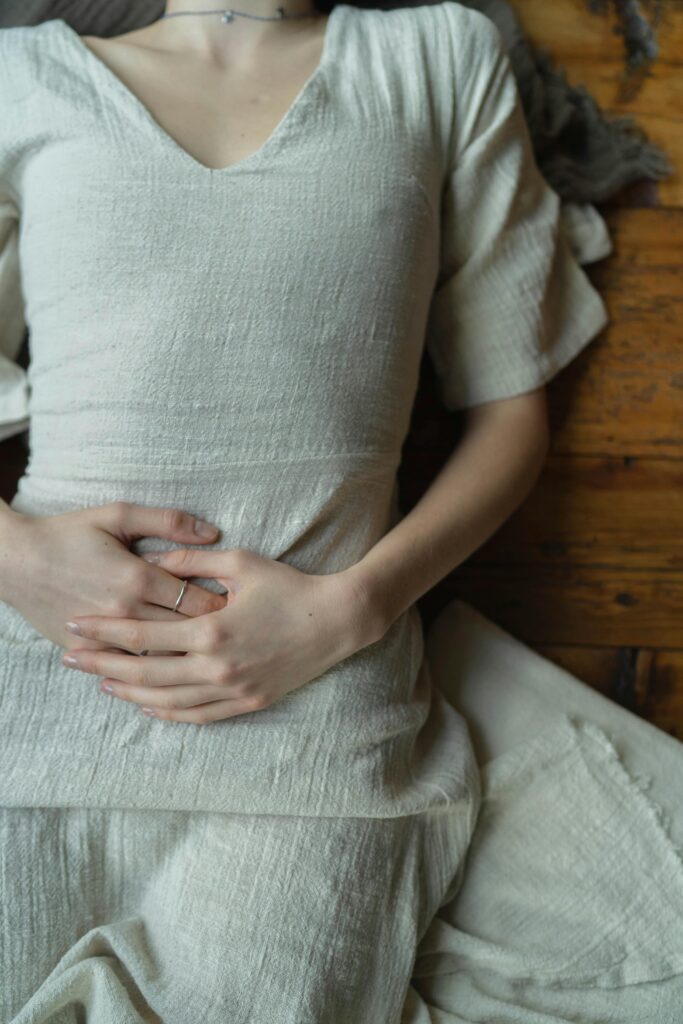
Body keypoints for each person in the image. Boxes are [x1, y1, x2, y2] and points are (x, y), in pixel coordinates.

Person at [4, 1, 673, 1021]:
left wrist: (352, 610)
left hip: (319, 739)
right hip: (25, 718)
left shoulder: (435, 56)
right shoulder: (22, 77)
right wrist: (18, 562)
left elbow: (508, 417)